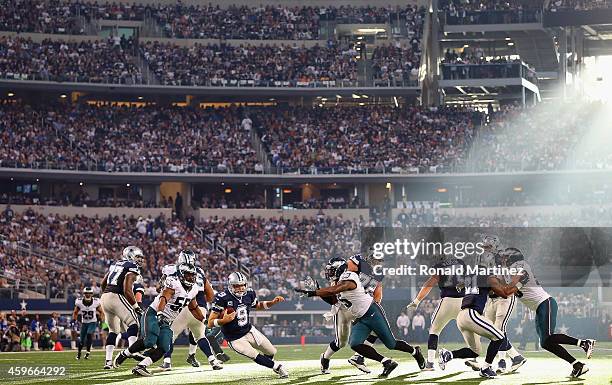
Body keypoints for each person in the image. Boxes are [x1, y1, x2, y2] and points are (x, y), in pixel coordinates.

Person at [296, 259, 425, 378]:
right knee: (355, 343)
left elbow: (340, 288)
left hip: (372, 312)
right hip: (361, 316)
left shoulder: (349, 277)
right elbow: (334, 298)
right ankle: (386, 362)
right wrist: (318, 291)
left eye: (331, 270)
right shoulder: (339, 280)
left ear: (339, 269)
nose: (328, 273)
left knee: (391, 344)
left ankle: (415, 352)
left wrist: (314, 292)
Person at [500, 247, 596, 378]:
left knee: (549, 336)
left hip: (546, 303)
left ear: (512, 258)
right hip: (539, 308)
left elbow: (508, 291)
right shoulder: (513, 272)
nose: (503, 260)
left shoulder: (521, 269)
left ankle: (584, 343)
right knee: (545, 342)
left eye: (506, 257)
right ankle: (577, 365)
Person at [113, 263, 206, 377]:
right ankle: (124, 354)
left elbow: (193, 307)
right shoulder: (174, 283)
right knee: (149, 341)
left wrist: (203, 320)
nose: (191, 278)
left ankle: (141, 366)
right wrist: (160, 313)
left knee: (164, 347)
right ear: (181, 275)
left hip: (167, 321)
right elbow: (164, 298)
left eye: (193, 275)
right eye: (188, 275)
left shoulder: (194, 289)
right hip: (154, 313)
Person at [208, 272, 288, 379]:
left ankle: (269, 363)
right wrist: (223, 320)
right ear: (230, 286)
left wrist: (272, 303)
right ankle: (278, 367)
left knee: (271, 351)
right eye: (237, 286)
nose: (240, 288)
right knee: (254, 355)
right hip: (235, 338)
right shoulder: (222, 298)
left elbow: (257, 305)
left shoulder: (249, 293)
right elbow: (210, 322)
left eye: (242, 285)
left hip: (249, 331)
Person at [159, 250, 222, 371]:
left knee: (171, 336)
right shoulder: (199, 272)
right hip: (200, 309)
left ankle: (167, 362)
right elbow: (210, 296)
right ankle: (213, 361)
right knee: (200, 336)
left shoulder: (171, 269)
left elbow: (161, 287)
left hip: (183, 306)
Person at [100, 246, 145, 369]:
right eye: (138, 257)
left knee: (113, 331)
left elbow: (103, 283)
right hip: (116, 296)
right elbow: (127, 289)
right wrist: (135, 306)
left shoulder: (116, 264)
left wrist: (107, 294)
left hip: (104, 297)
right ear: (130, 256)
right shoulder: (131, 267)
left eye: (141, 257)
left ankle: (108, 362)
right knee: (134, 322)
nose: (140, 260)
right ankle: (133, 350)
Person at [73, 287, 104, 360]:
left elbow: (102, 312)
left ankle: (87, 352)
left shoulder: (96, 301)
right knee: (81, 340)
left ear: (92, 294)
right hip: (84, 323)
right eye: (86, 293)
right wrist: (74, 320)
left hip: (92, 322)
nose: (88, 294)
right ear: (84, 294)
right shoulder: (79, 302)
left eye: (89, 293)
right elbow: (75, 312)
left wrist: (101, 320)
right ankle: (79, 353)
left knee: (89, 334)